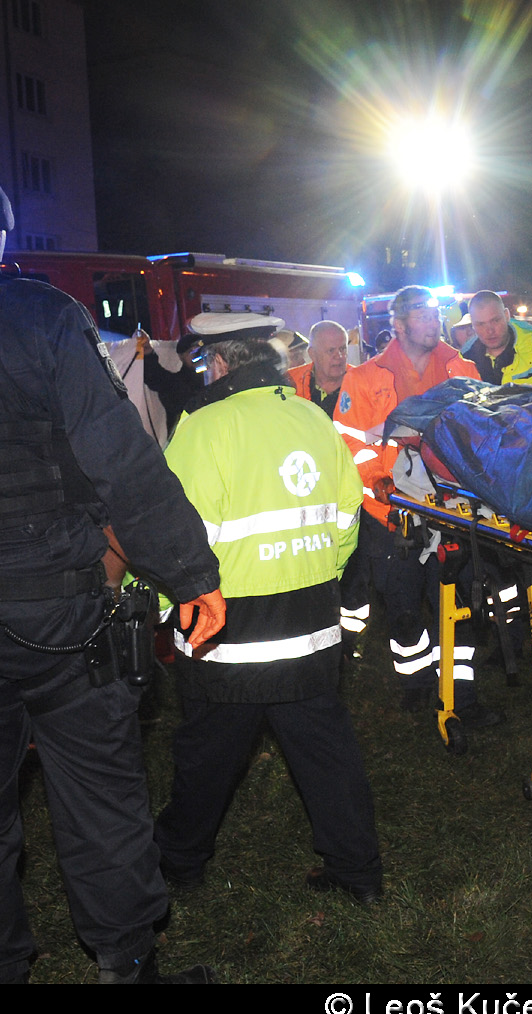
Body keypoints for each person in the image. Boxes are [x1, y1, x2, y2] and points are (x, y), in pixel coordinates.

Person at [0, 158, 226, 983]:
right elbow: (121, 463)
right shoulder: (35, 311)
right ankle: (126, 965)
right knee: (99, 797)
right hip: (54, 612)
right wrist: (191, 574)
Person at [152, 314, 383, 902]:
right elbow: (346, 517)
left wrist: (161, 605)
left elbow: (179, 537)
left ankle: (179, 862)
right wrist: (317, 576)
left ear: (221, 362)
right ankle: (357, 872)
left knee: (208, 753)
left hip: (226, 631)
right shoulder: (312, 417)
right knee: (325, 749)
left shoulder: (204, 425)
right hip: (310, 623)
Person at [346, 286, 500, 724]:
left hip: (451, 511)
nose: (434, 320)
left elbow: (483, 434)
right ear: (398, 324)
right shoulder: (365, 378)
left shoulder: (462, 368)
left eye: (436, 313)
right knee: (403, 607)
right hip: (390, 515)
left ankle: (461, 696)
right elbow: (349, 442)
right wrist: (377, 479)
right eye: (422, 313)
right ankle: (415, 683)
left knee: (458, 606)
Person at [288, 321, 373, 654]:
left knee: (353, 569)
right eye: (330, 351)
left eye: (342, 349)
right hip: (304, 492)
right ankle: (313, 630)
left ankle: (348, 641)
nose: (339, 357)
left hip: (353, 493)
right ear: (311, 353)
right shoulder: (289, 384)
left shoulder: (362, 383)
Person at [462, 290, 532, 388]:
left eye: (495, 321)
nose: (489, 330)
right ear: (472, 324)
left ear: (507, 315)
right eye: (481, 324)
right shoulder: (462, 362)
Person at [139, 330, 204, 438]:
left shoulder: (216, 377)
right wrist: (148, 352)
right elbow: (155, 376)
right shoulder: (175, 383)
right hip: (185, 439)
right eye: (191, 351)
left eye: (199, 350)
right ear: (181, 356)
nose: (196, 355)